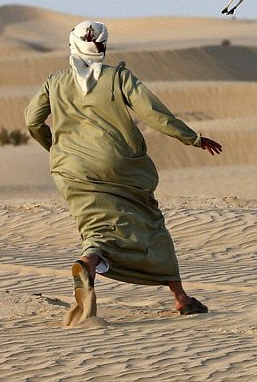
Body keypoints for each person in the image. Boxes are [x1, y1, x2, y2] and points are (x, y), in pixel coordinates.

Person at [24, 20, 223, 327]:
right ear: (102, 47)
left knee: (96, 226)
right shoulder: (119, 78)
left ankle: (88, 262)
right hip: (120, 166)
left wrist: (56, 149)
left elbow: (32, 121)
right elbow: (153, 113)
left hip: (71, 169)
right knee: (150, 223)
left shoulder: (55, 82)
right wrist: (192, 138)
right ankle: (181, 299)